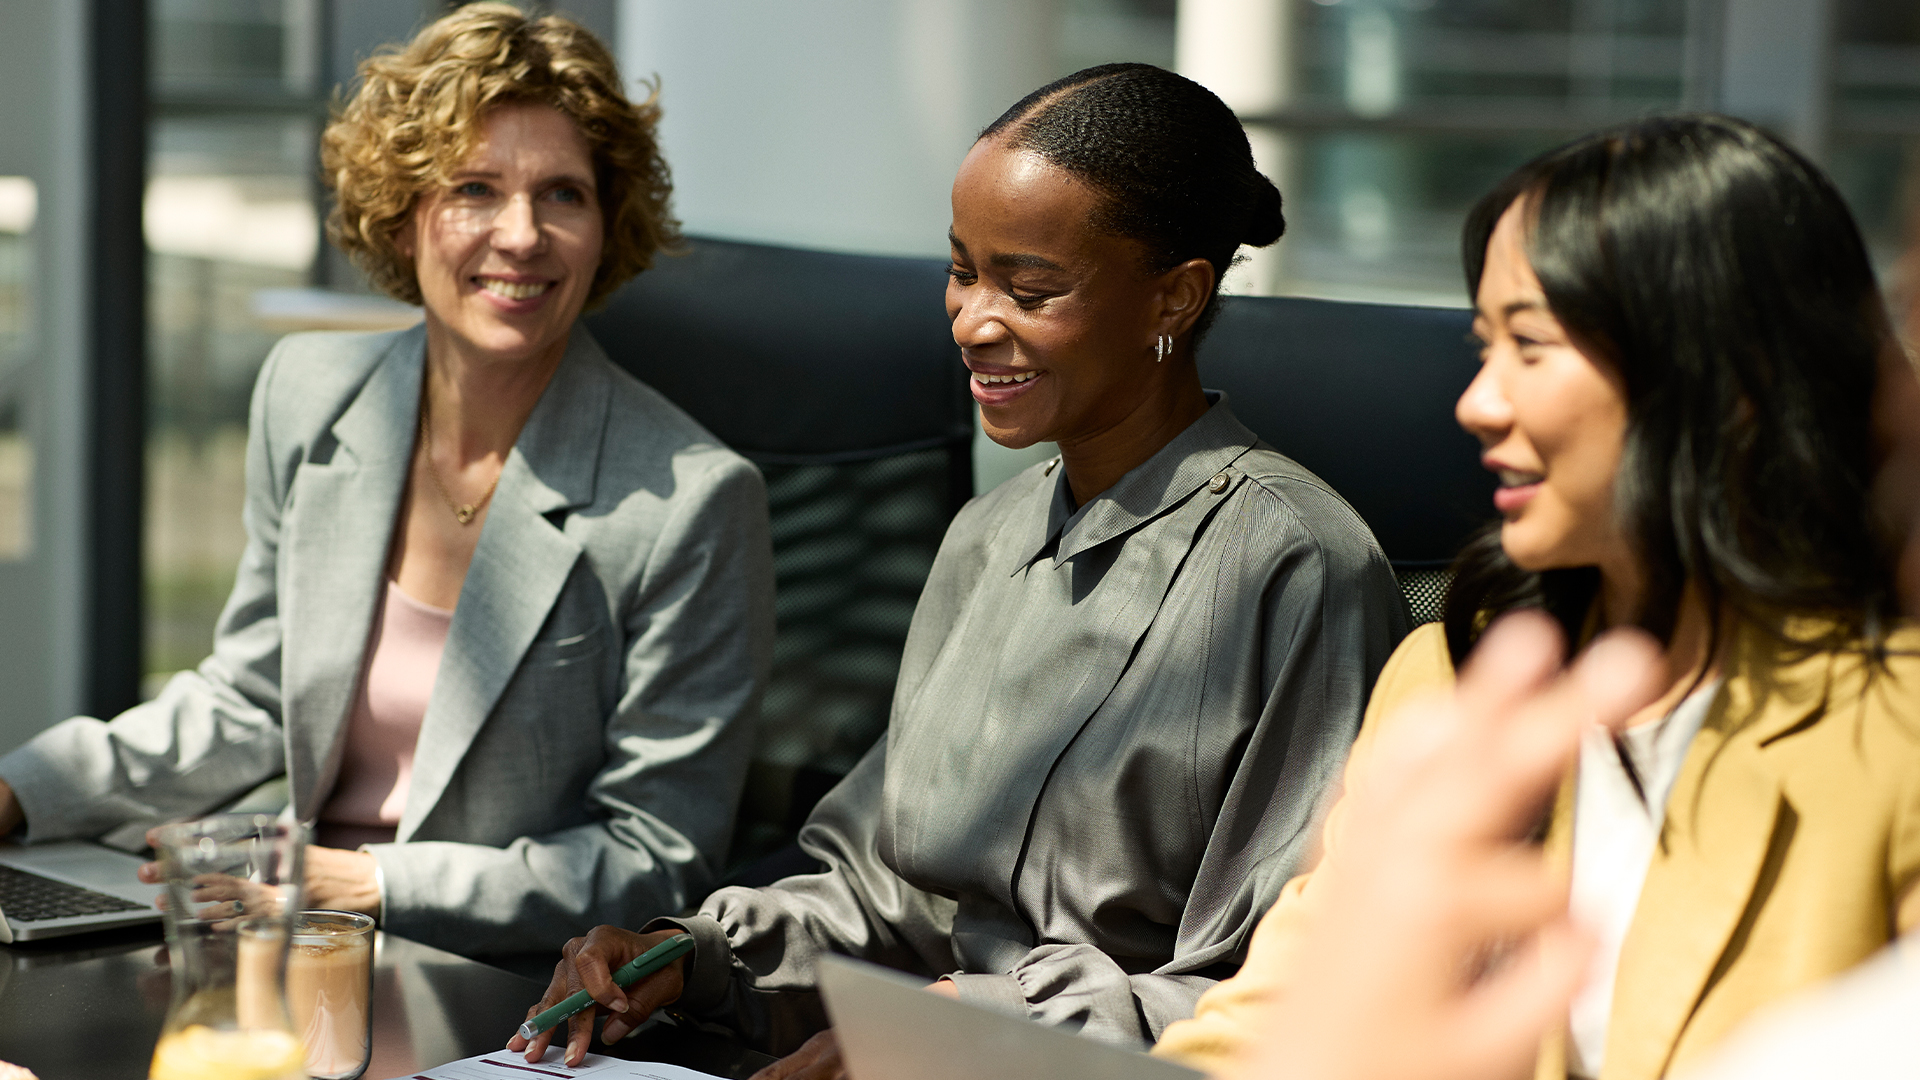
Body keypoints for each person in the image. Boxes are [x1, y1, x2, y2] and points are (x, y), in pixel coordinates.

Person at [510, 62, 1409, 1075]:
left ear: (1174, 297)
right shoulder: (989, 536)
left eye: (1030, 288)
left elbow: (1272, 993)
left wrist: (957, 1033)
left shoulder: (1294, 565)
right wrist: (694, 954)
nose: (972, 321)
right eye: (962, 270)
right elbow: (886, 896)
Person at [1154, 114, 1920, 1080]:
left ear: (1722, 381)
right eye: (1484, 345)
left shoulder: (1893, 728)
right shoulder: (1451, 680)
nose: (1478, 400)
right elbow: (1276, 1025)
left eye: (1530, 343)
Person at [0, 4, 774, 956]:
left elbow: (656, 857)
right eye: (476, 189)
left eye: (563, 195)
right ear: (404, 217)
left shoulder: (691, 499)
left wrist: (367, 882)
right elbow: (252, 699)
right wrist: (22, 789)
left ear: (606, 227)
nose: (522, 234)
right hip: (294, 932)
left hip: (499, 981)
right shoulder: (308, 395)